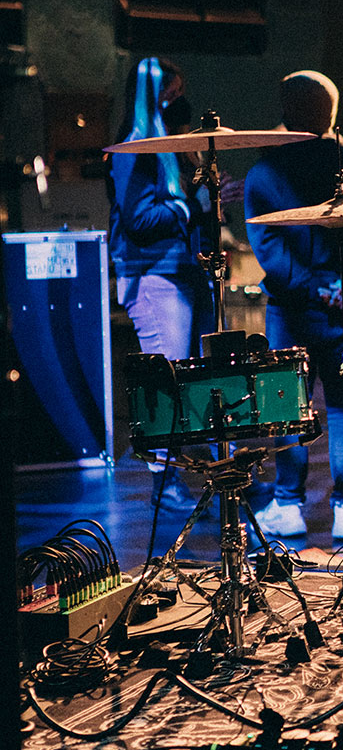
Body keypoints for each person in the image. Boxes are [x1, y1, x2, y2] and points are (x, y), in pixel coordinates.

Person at [245, 71, 343, 541]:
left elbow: (267, 244)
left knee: (286, 404)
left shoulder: (266, 171)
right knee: (342, 408)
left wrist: (312, 286)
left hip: (289, 307)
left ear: (287, 111)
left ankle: (288, 505)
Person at [107, 57, 215, 514]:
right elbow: (139, 220)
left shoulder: (169, 151)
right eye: (170, 93)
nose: (177, 101)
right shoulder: (135, 149)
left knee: (184, 378)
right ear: (152, 96)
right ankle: (165, 482)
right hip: (152, 276)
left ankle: (195, 477)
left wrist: (207, 197)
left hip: (176, 272)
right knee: (168, 378)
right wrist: (190, 205)